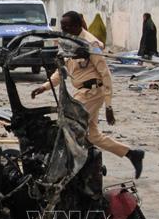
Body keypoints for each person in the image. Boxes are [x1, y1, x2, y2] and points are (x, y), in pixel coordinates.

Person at [32, 11, 145, 178]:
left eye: (67, 26)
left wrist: (109, 105)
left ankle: (74, 167)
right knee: (92, 136)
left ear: (77, 26)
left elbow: (105, 74)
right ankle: (132, 154)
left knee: (68, 126)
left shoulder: (91, 44)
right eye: (62, 27)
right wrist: (45, 87)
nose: (64, 30)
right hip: (82, 92)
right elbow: (61, 71)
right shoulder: (69, 43)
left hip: (92, 92)